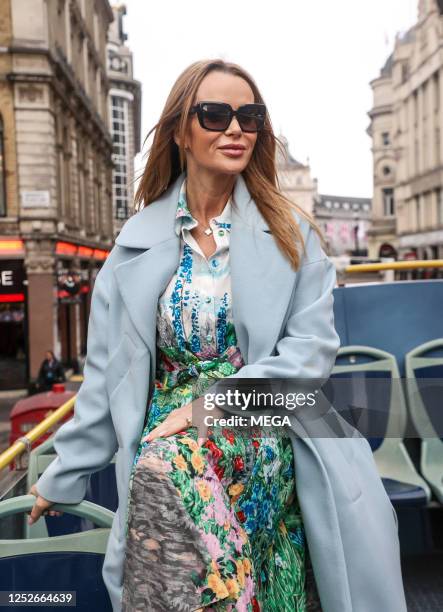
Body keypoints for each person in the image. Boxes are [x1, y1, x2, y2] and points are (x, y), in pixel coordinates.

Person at [28, 59, 407, 612]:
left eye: (249, 117)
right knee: (166, 469)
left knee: (168, 469)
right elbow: (108, 376)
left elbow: (310, 357)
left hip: (267, 417)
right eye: (215, 114)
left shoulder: (292, 234)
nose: (235, 129)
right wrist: (62, 475)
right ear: (181, 130)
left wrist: (214, 406)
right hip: (167, 436)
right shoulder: (135, 244)